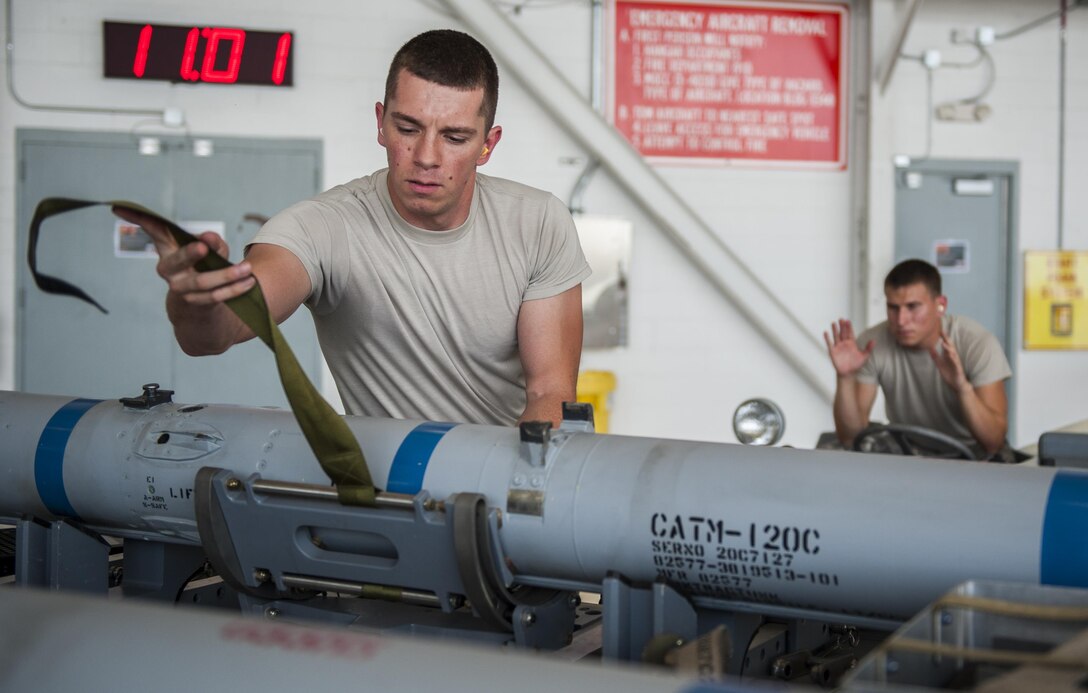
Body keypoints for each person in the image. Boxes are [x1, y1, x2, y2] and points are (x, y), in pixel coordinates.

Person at [113, 29, 590, 427]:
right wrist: (193, 300)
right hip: (389, 499)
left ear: (488, 144)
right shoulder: (324, 227)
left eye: (454, 137)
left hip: (503, 493)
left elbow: (549, 391)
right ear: (380, 124)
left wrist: (519, 500)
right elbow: (213, 335)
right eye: (407, 128)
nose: (426, 157)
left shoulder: (538, 222)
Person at [824, 259, 1012, 460]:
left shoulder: (977, 344)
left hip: (972, 453)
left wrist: (962, 388)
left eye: (913, 307)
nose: (901, 320)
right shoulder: (872, 343)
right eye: (893, 308)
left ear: (940, 305)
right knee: (833, 450)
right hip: (907, 450)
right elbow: (850, 438)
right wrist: (844, 377)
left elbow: (993, 442)